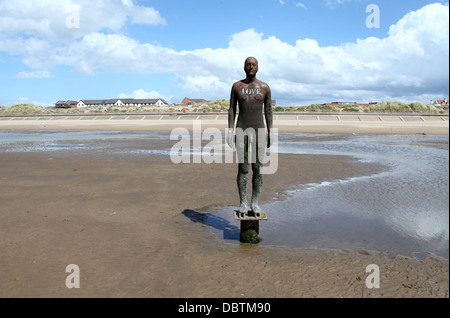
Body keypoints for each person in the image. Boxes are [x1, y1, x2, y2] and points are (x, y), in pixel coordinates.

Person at [227, 57, 273, 215]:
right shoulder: (237, 86)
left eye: (253, 64)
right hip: (241, 130)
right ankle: (243, 203)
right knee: (243, 168)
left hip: (259, 131)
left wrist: (271, 131)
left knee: (258, 168)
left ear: (258, 67)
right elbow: (232, 109)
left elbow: (268, 111)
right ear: (244, 67)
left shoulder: (264, 87)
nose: (251, 67)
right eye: (248, 64)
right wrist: (229, 130)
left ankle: (255, 202)